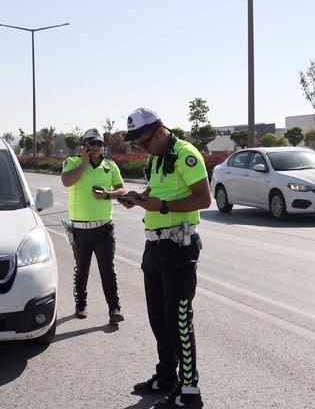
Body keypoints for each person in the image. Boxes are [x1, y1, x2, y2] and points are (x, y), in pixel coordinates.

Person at [118, 108, 211, 409]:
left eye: (143, 141)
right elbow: (156, 195)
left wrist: (163, 206)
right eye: (137, 144)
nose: (140, 148)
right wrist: (138, 199)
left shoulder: (185, 154)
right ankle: (167, 377)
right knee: (159, 319)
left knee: (178, 320)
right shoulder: (157, 157)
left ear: (159, 131)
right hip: (154, 248)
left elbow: (203, 198)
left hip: (179, 248)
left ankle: (190, 390)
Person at [60, 128, 127, 325]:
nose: (96, 147)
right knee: (82, 269)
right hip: (80, 229)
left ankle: (114, 309)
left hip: (104, 227)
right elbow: (66, 181)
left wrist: (107, 194)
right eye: (92, 143)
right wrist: (84, 163)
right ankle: (81, 304)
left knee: (107, 268)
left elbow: (121, 189)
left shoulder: (110, 165)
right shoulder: (72, 162)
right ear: (85, 145)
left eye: (99, 143)